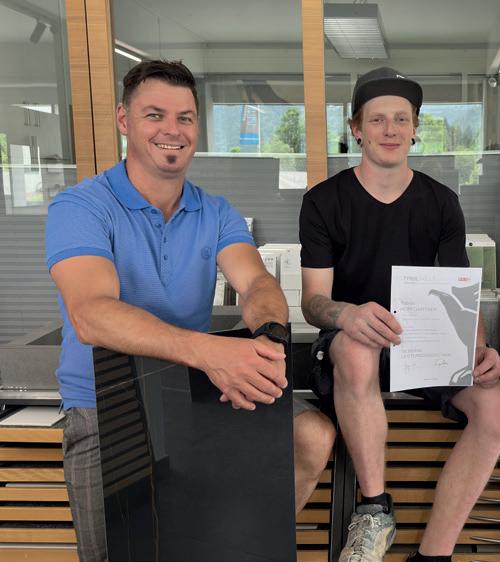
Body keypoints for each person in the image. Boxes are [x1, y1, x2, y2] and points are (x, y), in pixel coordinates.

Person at [45, 60, 333, 562]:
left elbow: (257, 283)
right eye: (154, 115)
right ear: (123, 120)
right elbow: (91, 314)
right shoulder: (82, 207)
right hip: (107, 402)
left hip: (191, 397)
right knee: (123, 551)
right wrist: (210, 354)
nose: (172, 130)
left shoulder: (215, 211)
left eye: (185, 117)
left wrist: (268, 337)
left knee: (312, 434)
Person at [299, 67, 500, 562]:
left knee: (498, 404)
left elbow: (461, 293)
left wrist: (480, 348)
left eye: (401, 119)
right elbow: (313, 301)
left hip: (425, 346)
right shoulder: (324, 202)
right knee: (357, 347)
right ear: (356, 129)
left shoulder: (441, 203)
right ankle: (375, 509)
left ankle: (433, 554)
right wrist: (346, 314)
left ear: (415, 128)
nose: (391, 129)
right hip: (349, 347)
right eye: (377, 119)